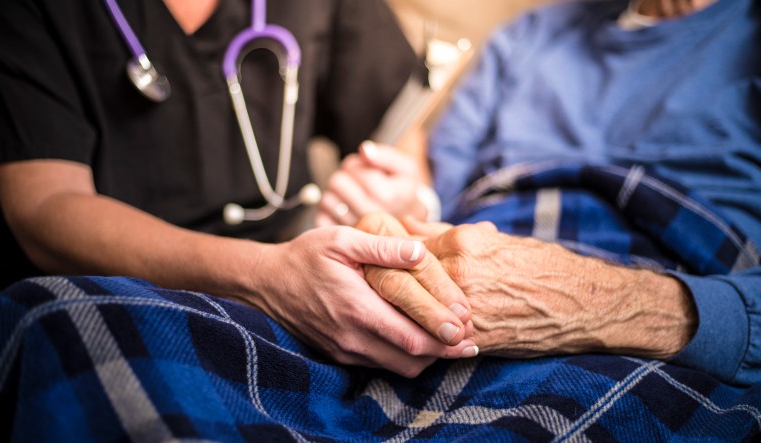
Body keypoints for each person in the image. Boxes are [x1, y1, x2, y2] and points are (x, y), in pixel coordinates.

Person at [0, 0, 482, 377]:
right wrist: (268, 278)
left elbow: (398, 139)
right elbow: (43, 206)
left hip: (308, 279)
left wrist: (405, 197)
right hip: (112, 296)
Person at [318, 0, 761, 386]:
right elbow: (441, 191)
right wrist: (404, 205)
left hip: (672, 298)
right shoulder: (526, 36)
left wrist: (600, 304)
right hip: (473, 272)